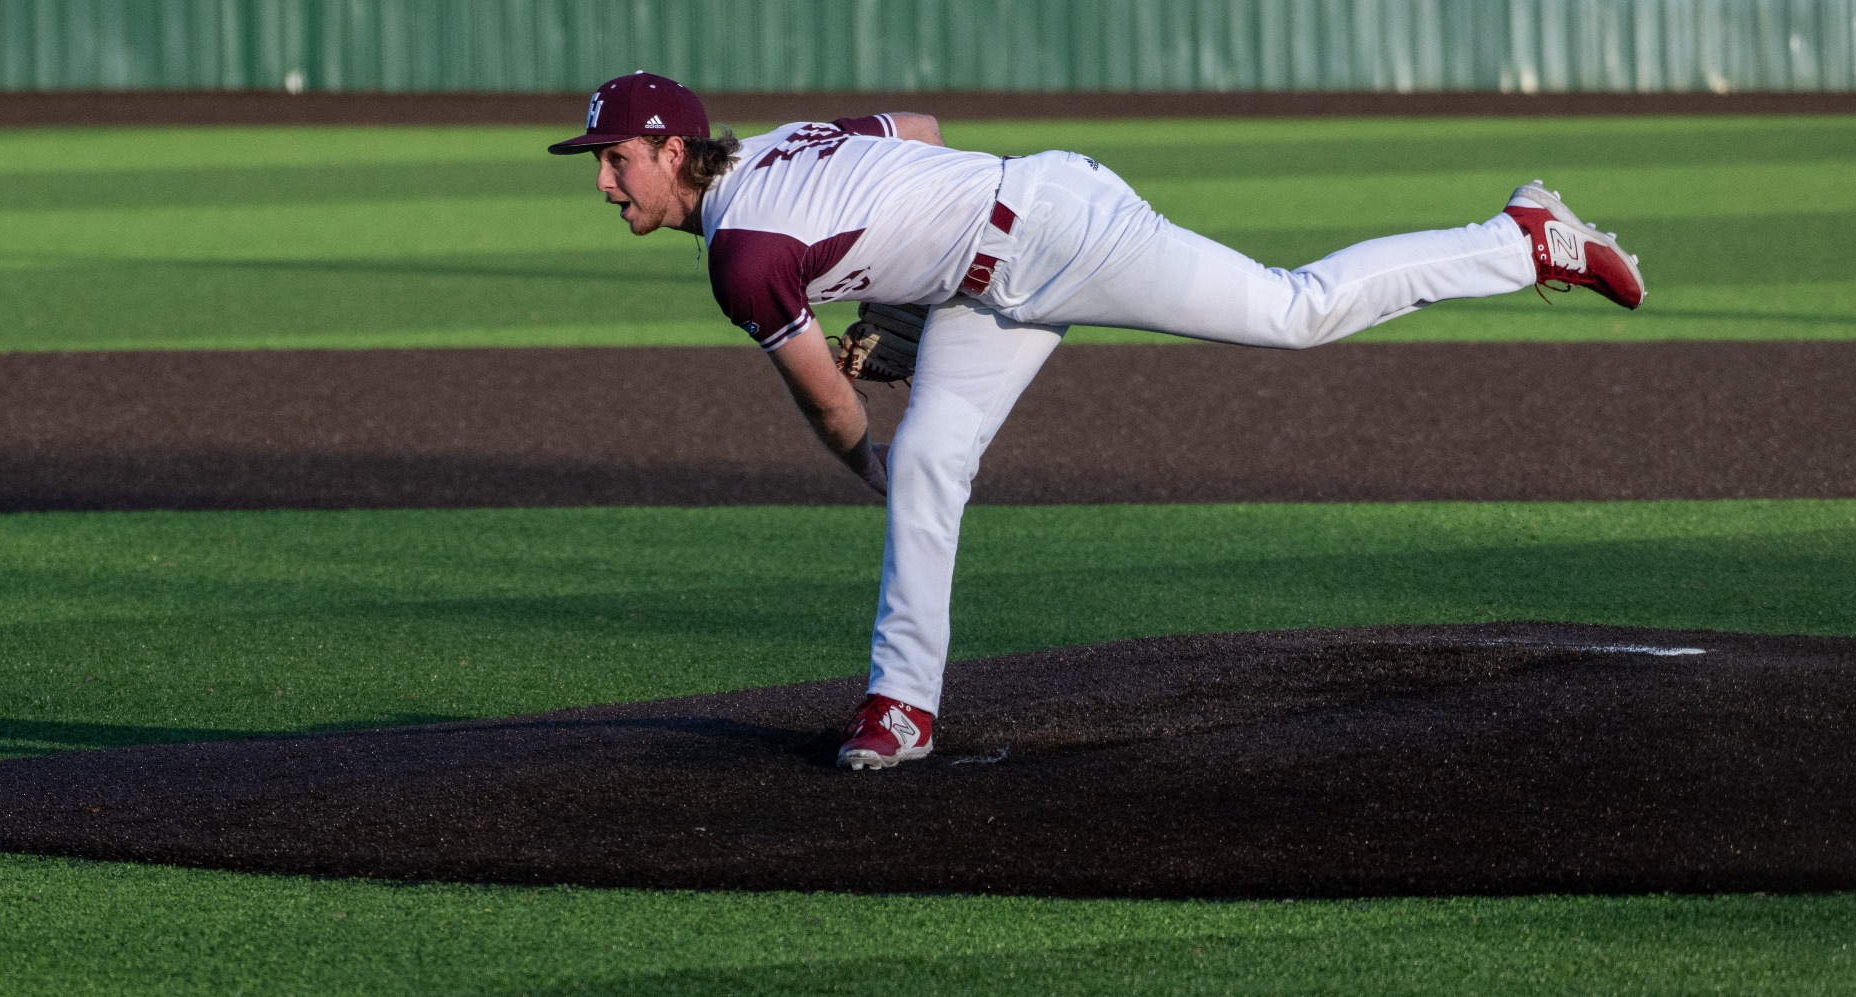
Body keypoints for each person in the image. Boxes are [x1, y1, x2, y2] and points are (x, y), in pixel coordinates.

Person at [550, 71, 1645, 771]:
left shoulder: (742, 256)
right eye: (599, 160)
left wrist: (862, 454)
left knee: (1291, 310)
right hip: (983, 283)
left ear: (674, 150)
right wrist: (902, 289)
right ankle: (900, 707)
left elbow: (828, 401)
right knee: (930, 458)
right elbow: (918, 129)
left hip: (1061, 230)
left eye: (616, 157)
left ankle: (1519, 238)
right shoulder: (774, 144)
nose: (603, 181)